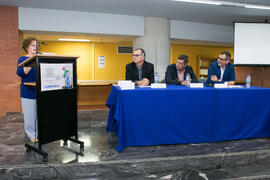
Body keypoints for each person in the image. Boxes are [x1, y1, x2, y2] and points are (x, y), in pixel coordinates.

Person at [16, 37, 39, 143]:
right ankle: (31, 134)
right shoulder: (22, 59)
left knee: (39, 115)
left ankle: (39, 133)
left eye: (37, 45)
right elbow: (21, 73)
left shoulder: (40, 57)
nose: (36, 47)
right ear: (27, 47)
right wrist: (32, 59)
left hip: (40, 92)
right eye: (33, 45)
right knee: (30, 115)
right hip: (28, 92)